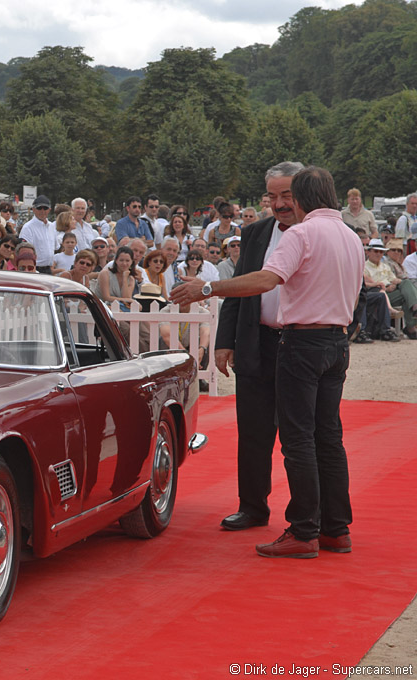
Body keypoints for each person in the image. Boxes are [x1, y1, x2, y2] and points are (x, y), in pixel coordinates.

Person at [172, 165, 363, 558]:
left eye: (287, 196)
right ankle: (335, 528)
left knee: (298, 440)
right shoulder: (349, 235)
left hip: (300, 343)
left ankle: (304, 530)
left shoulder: (302, 233)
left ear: (303, 197)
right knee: (327, 437)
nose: (279, 204)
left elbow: (264, 280)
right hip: (334, 342)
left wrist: (207, 287)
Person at [364, 238, 417, 339]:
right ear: (368, 252)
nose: (378, 254)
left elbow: (395, 279)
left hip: (389, 292)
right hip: (377, 293)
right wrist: (386, 286)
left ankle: (412, 317)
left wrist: (394, 285)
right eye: (376, 251)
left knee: (406, 285)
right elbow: (366, 284)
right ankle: (411, 323)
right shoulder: (365, 267)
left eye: (380, 252)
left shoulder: (385, 266)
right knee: (406, 291)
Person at [96, 245, 140, 311]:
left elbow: (126, 298)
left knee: (139, 309)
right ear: (116, 261)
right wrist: (124, 300)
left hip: (121, 307)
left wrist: (125, 278)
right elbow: (106, 297)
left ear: (131, 262)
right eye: (121, 260)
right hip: (104, 306)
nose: (124, 263)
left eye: (127, 261)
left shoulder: (131, 279)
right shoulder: (105, 274)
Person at [20, 195, 55, 273]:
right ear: (33, 209)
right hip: (34, 269)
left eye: (45, 208)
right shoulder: (28, 228)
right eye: (39, 208)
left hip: (48, 269)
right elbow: (25, 251)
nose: (42, 211)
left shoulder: (52, 226)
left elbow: (55, 248)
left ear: (49, 209)